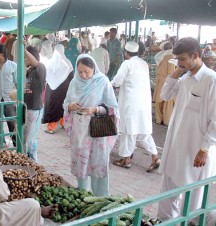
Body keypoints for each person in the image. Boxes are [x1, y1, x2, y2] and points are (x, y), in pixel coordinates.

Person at [157, 37, 216, 224]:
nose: (179, 63)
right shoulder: (185, 78)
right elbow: (164, 95)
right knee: (168, 192)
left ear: (196, 55)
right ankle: (166, 222)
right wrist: (177, 71)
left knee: (192, 198)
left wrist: (205, 148)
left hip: (195, 150)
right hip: (175, 145)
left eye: (182, 59)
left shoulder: (211, 80)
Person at [63, 54, 119, 196]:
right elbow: (65, 103)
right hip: (79, 129)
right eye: (80, 71)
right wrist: (70, 106)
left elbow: (112, 107)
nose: (83, 75)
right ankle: (83, 193)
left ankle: (101, 197)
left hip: (97, 129)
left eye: (87, 72)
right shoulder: (74, 82)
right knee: (81, 161)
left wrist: (95, 109)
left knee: (97, 162)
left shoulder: (103, 81)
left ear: (94, 69)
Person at [111, 41, 160, 172]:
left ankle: (126, 159)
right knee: (143, 131)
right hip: (144, 102)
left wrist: (109, 84)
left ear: (125, 53)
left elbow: (117, 81)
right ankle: (155, 157)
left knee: (128, 130)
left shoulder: (127, 63)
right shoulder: (143, 63)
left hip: (131, 102)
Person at [42, 44, 73, 134]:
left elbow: (46, 76)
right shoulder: (67, 63)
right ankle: (64, 123)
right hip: (64, 89)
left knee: (53, 106)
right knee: (63, 105)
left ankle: (51, 128)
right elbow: (71, 77)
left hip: (52, 89)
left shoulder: (50, 62)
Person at [22, 45, 46, 162]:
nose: (24, 60)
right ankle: (27, 162)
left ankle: (34, 164)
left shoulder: (40, 67)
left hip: (35, 108)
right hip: (27, 107)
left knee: (30, 141)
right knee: (25, 139)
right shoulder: (29, 71)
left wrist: (25, 50)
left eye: (25, 57)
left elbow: (35, 62)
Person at [153, 42, 175, 126]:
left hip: (159, 81)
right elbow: (171, 72)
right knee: (167, 102)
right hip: (167, 81)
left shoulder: (159, 56)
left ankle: (158, 119)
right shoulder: (171, 57)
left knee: (158, 101)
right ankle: (166, 120)